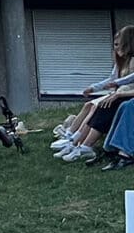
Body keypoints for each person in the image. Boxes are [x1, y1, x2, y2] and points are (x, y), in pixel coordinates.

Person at [53, 27, 134, 162]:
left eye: (118, 44)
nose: (115, 48)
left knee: (100, 106)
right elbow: (112, 79)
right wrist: (94, 88)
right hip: (121, 93)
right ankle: (76, 141)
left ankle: (82, 143)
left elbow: (130, 78)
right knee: (94, 105)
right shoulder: (121, 62)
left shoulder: (132, 61)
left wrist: (116, 86)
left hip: (124, 94)